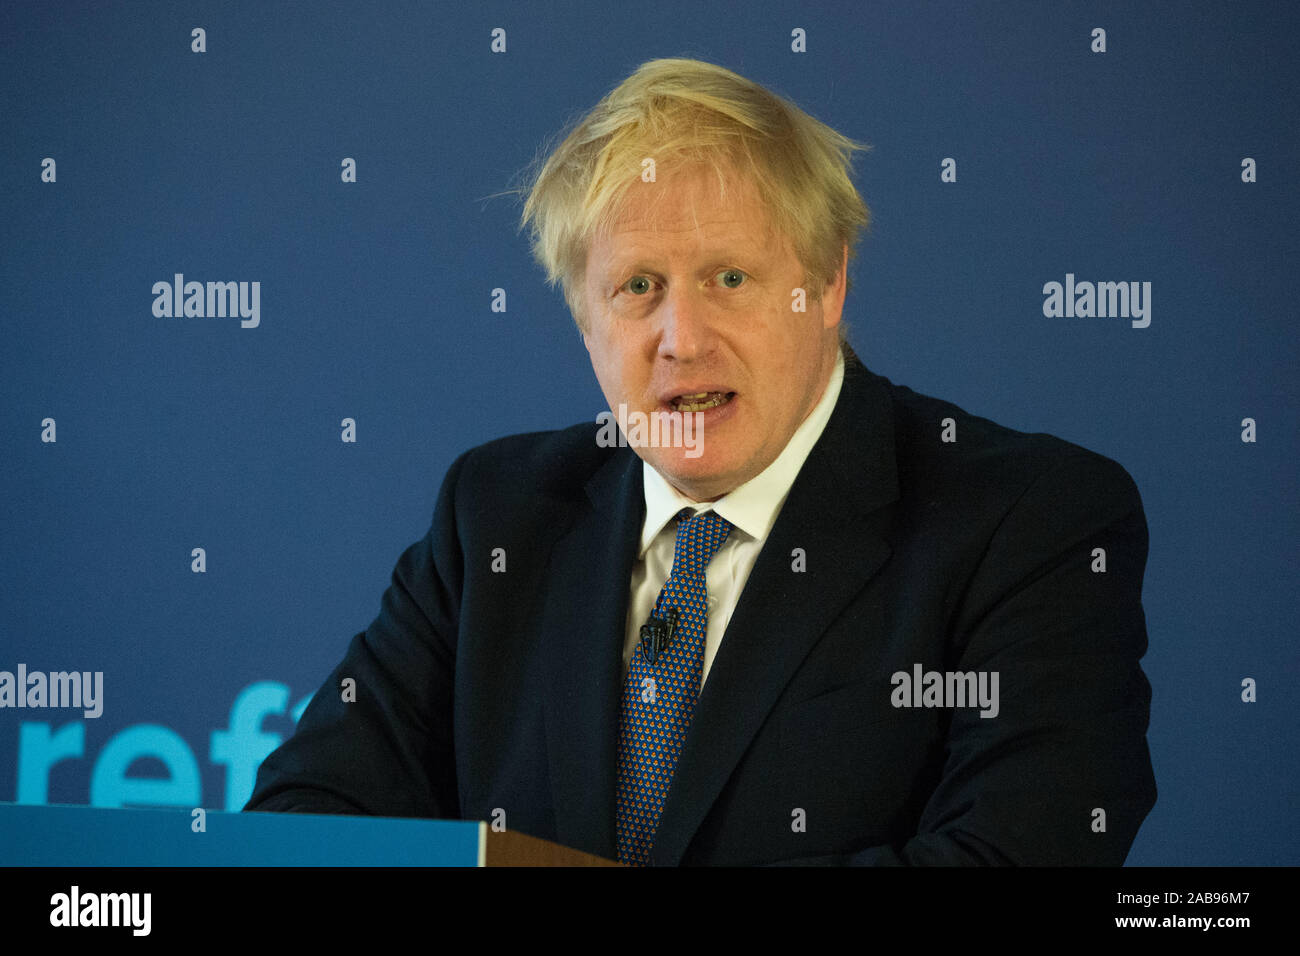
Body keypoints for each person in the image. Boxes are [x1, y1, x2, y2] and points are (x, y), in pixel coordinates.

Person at [245, 57, 1157, 866]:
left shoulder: (1031, 522)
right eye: (639, 288)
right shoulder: (498, 515)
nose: (682, 340)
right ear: (584, 318)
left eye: (729, 278)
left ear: (829, 282)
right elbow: (307, 820)